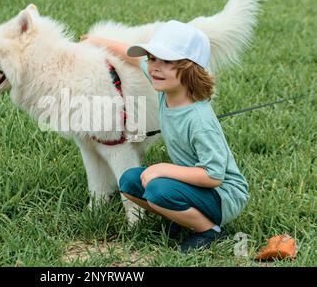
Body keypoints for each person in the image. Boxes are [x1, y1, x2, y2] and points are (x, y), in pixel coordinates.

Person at [82, 20, 249, 253]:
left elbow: (214, 175)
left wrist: (163, 169)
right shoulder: (167, 86)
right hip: (194, 186)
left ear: (191, 68)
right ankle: (183, 219)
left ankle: (209, 230)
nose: (154, 67)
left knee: (158, 188)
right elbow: (131, 56)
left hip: (223, 196)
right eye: (152, 58)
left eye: (166, 61)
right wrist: (95, 41)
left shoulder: (199, 121)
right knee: (129, 181)